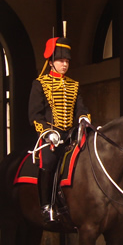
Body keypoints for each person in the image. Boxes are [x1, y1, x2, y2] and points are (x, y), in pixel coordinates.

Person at [28, 36, 90, 222]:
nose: (65, 64)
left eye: (67, 61)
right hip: (51, 136)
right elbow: (35, 115)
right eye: (61, 60)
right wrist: (47, 132)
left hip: (71, 135)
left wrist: (83, 118)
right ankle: (46, 205)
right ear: (51, 62)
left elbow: (80, 107)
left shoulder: (74, 84)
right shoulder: (40, 84)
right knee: (48, 161)